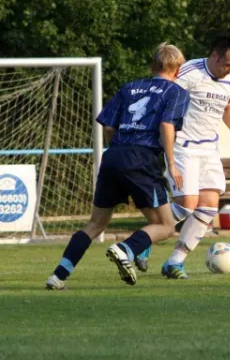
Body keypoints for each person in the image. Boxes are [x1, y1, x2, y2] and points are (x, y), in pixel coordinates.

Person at [45, 43, 190, 289]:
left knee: (96, 224)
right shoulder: (175, 92)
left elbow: (109, 126)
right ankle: (125, 249)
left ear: (151, 65)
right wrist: (172, 165)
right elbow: (166, 126)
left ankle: (58, 276)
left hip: (113, 156)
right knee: (166, 226)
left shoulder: (129, 87)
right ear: (177, 69)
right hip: (142, 158)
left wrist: (120, 151)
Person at [157, 33, 230, 279]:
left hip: (209, 150)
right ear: (215, 56)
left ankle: (174, 263)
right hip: (183, 146)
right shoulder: (188, 71)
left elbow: (229, 105)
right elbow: (164, 101)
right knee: (186, 206)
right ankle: (144, 237)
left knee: (208, 207)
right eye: (228, 64)